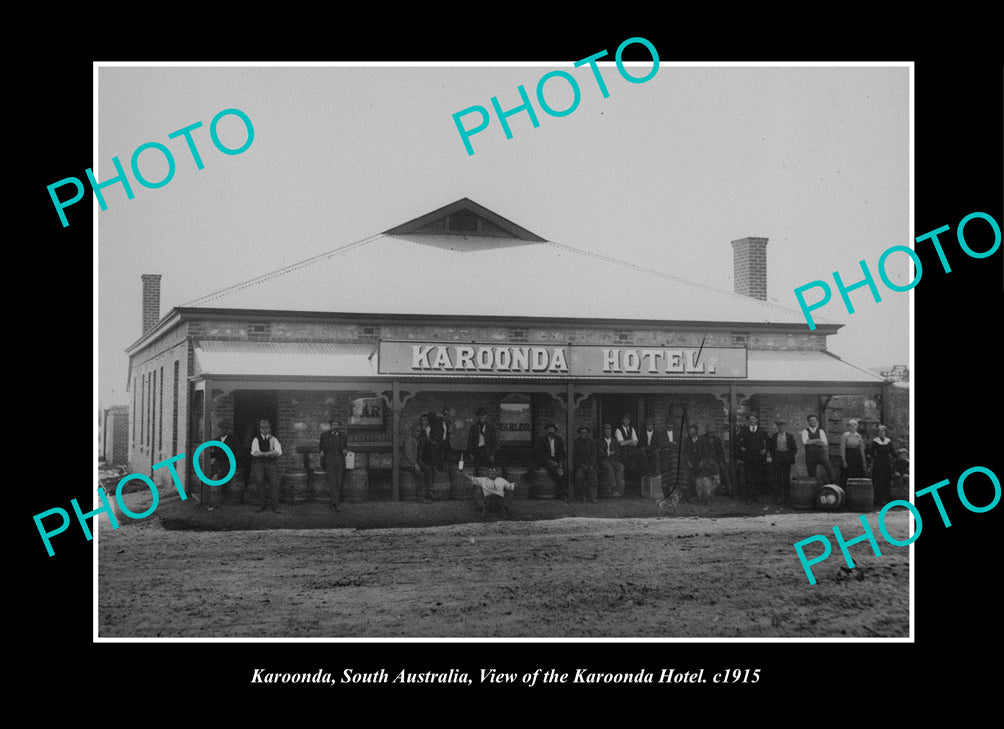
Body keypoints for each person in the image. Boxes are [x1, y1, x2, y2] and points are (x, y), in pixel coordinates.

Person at [736, 413, 770, 502]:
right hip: (748, 456)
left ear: (757, 420)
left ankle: (757, 496)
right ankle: (749, 497)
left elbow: (769, 442)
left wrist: (765, 449)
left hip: (759, 457)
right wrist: (741, 447)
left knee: (758, 476)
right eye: (750, 419)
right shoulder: (744, 430)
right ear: (749, 421)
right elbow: (736, 440)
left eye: (754, 419)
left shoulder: (762, 431)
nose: (752, 420)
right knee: (749, 476)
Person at [251, 419, 282, 513]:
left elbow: (278, 452)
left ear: (269, 428)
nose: (265, 430)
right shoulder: (256, 439)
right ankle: (262, 505)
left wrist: (263, 453)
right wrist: (270, 453)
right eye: (263, 428)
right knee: (259, 482)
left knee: (274, 483)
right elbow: (254, 453)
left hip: (271, 464)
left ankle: (275, 506)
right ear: (259, 429)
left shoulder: (274, 439)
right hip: (259, 464)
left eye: (267, 428)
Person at [768, 418, 798, 507]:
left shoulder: (789, 436)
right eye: (779, 426)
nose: (781, 428)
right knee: (776, 478)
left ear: (785, 427)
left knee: (785, 479)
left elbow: (794, 448)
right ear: (777, 427)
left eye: (782, 426)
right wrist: (775, 456)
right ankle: (776, 498)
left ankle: (786, 498)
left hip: (786, 458)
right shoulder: (774, 436)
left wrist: (789, 456)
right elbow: (771, 448)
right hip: (777, 457)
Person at [319, 418, 347, 511]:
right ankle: (336, 504)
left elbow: (345, 447)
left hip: (339, 459)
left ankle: (333, 503)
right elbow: (321, 447)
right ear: (331, 426)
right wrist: (321, 452)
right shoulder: (324, 435)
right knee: (332, 482)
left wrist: (345, 451)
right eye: (334, 424)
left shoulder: (343, 435)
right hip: (329, 459)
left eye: (337, 425)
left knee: (338, 482)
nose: (336, 426)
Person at [801, 414, 835, 484]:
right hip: (810, 456)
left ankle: (832, 484)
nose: (813, 421)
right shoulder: (805, 431)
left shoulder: (821, 431)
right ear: (808, 422)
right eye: (811, 420)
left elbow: (824, 443)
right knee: (811, 474)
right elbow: (805, 442)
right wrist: (818, 440)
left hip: (821, 454)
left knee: (829, 468)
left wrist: (811, 441)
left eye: (814, 420)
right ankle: (813, 490)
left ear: (817, 421)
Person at [535, 423, 566, 498]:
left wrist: (560, 464)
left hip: (557, 460)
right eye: (549, 431)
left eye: (553, 431)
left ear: (555, 431)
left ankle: (564, 491)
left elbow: (561, 452)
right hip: (546, 460)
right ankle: (560, 494)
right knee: (555, 472)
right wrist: (552, 462)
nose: (551, 433)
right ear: (546, 431)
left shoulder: (558, 439)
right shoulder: (541, 440)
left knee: (565, 471)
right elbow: (541, 454)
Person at [868, 424, 896, 506]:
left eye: (882, 431)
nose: (881, 433)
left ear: (885, 432)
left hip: (886, 464)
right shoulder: (875, 441)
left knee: (886, 481)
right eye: (879, 431)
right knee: (878, 482)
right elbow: (871, 452)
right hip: (878, 464)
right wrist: (876, 458)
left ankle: (887, 499)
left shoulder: (889, 441)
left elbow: (893, 452)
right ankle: (878, 500)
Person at [698, 424, 729, 496]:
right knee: (713, 468)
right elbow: (700, 452)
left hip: (716, 460)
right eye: (710, 431)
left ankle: (728, 488)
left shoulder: (717, 439)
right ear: (707, 431)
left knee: (724, 469)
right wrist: (703, 460)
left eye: (712, 431)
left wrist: (721, 461)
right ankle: (717, 488)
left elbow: (721, 452)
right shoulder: (702, 439)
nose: (711, 432)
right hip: (706, 460)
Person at [597, 423, 625, 498]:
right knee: (610, 468)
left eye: (609, 430)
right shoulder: (600, 441)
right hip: (604, 461)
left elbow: (618, 453)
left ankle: (618, 485)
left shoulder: (614, 441)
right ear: (604, 432)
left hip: (613, 460)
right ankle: (614, 488)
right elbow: (600, 454)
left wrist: (608, 453)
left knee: (621, 466)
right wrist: (608, 453)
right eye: (606, 430)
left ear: (611, 432)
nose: (608, 432)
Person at [572, 426, 598, 502]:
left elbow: (594, 454)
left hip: (590, 465)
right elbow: (575, 456)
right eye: (582, 432)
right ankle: (583, 496)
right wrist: (582, 465)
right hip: (580, 465)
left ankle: (593, 497)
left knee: (593, 477)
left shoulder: (591, 442)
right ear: (579, 433)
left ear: (587, 433)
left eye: (585, 432)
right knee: (579, 476)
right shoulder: (576, 442)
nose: (583, 434)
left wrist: (591, 464)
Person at [415, 423, 439, 502]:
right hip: (419, 461)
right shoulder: (421, 440)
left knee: (431, 469)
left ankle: (429, 491)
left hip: (424, 459)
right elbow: (420, 453)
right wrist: (420, 462)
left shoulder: (427, 440)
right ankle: (426, 493)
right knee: (427, 470)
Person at [614, 414, 639, 487]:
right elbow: (621, 443)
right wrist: (631, 440)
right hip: (622, 452)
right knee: (624, 465)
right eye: (624, 419)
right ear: (622, 421)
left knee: (637, 460)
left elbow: (635, 443)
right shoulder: (618, 430)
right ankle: (622, 485)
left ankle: (634, 483)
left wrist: (627, 442)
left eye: (628, 419)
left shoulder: (632, 429)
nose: (626, 421)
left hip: (631, 452)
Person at [681, 423, 703, 495]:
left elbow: (705, 452)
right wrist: (688, 462)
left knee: (700, 475)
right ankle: (689, 493)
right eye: (689, 431)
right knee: (688, 475)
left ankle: (700, 492)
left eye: (692, 431)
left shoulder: (701, 440)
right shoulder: (686, 440)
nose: (690, 432)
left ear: (696, 431)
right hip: (689, 461)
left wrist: (702, 461)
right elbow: (684, 453)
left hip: (699, 461)